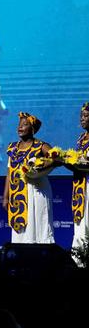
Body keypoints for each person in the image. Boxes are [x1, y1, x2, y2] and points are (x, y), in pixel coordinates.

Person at [2, 112, 54, 243]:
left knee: (37, 227)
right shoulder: (12, 148)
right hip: (17, 195)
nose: (20, 127)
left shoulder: (41, 145)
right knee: (20, 233)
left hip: (36, 193)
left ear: (32, 129)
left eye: (25, 125)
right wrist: (6, 197)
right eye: (19, 125)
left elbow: (56, 157)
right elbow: (9, 173)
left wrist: (41, 165)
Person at [69, 102, 89, 251]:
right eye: (81, 116)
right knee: (81, 228)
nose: (82, 119)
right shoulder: (81, 139)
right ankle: (79, 266)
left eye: (86, 116)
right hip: (81, 187)